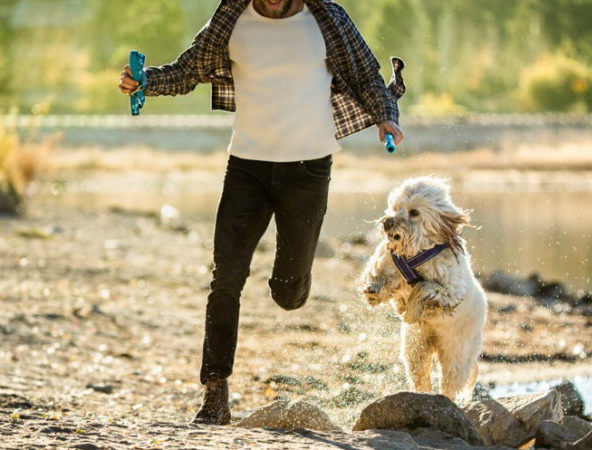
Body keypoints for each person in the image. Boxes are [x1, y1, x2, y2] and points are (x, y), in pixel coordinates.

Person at [118, 0, 405, 425]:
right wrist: (143, 82)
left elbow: (366, 75)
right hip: (246, 167)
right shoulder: (232, 17)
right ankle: (215, 393)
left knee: (287, 295)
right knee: (225, 278)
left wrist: (386, 116)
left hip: (308, 168)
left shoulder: (328, 17)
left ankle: (293, 283)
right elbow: (190, 69)